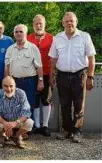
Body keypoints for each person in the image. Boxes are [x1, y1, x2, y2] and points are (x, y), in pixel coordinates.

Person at [49, 12, 96, 143]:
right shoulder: (57, 38)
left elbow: (91, 58)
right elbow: (53, 59)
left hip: (80, 75)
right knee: (64, 104)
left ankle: (77, 132)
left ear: (76, 22)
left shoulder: (85, 37)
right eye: (67, 21)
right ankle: (66, 130)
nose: (69, 23)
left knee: (79, 105)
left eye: (72, 21)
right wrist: (52, 75)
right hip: (62, 75)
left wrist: (90, 77)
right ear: (62, 23)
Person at [5, 24, 44, 117]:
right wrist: (6, 81)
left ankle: (28, 129)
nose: (18, 34)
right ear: (14, 34)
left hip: (29, 82)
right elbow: (7, 66)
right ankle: (16, 128)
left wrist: (40, 81)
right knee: (14, 105)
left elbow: (39, 66)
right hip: (14, 82)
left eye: (21, 31)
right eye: (16, 32)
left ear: (26, 33)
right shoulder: (10, 49)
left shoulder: (33, 48)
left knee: (28, 105)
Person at [27, 15, 54, 136]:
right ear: (33, 25)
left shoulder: (52, 38)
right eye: (36, 23)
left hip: (48, 73)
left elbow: (55, 57)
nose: (38, 26)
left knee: (46, 99)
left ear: (44, 24)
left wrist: (54, 74)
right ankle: (37, 125)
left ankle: (45, 126)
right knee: (35, 100)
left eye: (40, 23)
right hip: (32, 74)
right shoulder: (27, 38)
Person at [0, 76, 34, 149]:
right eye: (6, 86)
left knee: (30, 123)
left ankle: (17, 136)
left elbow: (26, 112)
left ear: (15, 86)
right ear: (2, 86)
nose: (8, 89)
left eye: (11, 86)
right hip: (3, 121)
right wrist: (5, 124)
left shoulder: (21, 93)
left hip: (17, 121)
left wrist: (15, 123)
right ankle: (2, 135)